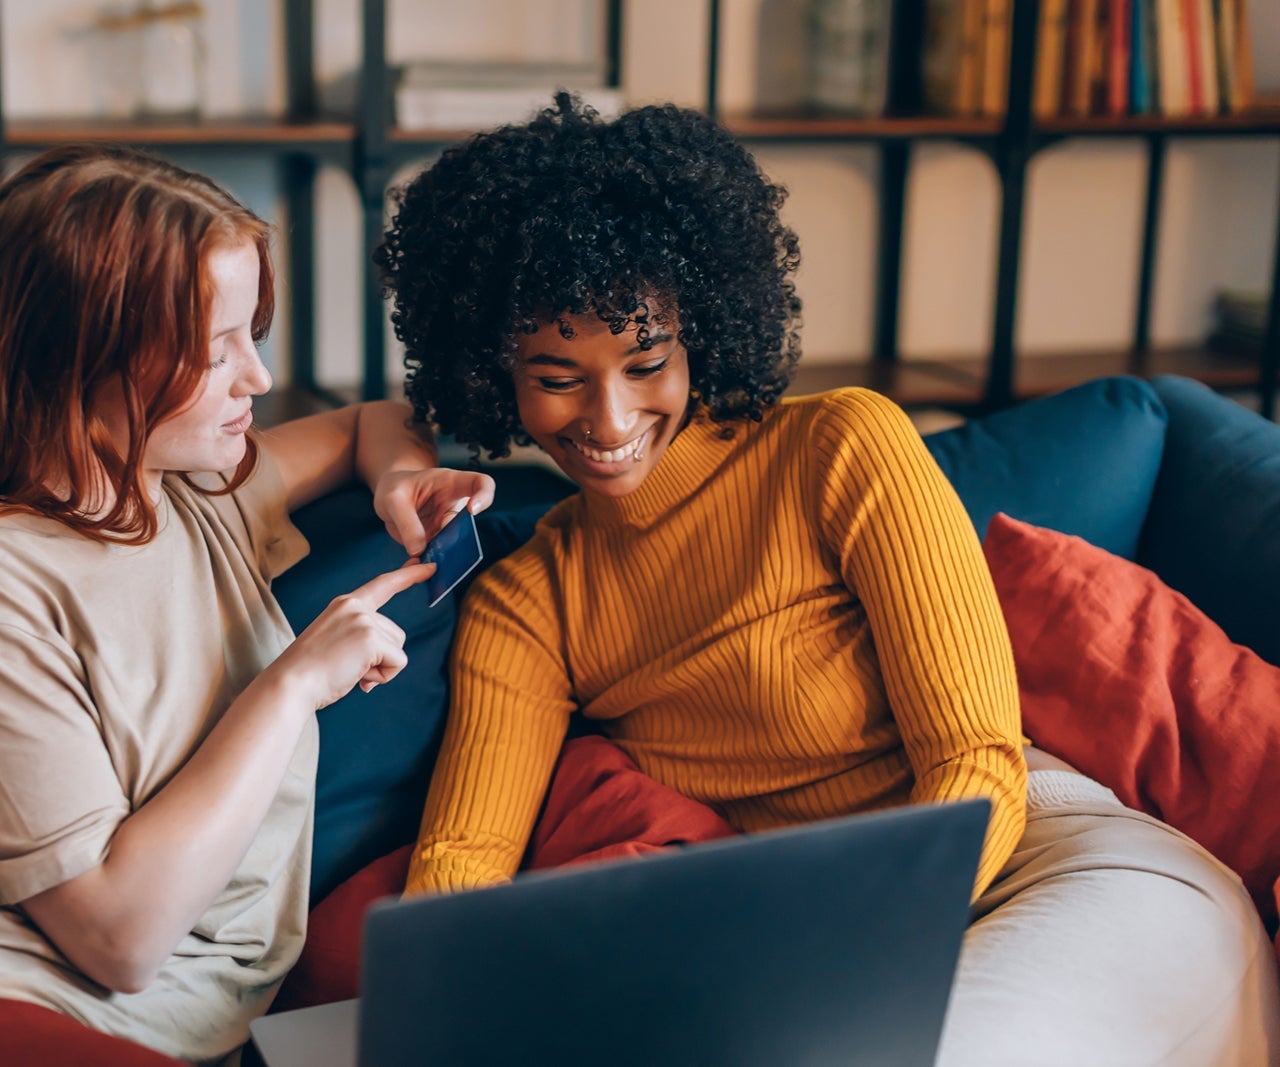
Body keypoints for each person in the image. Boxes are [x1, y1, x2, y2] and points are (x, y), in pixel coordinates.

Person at [375, 97, 1280, 1064]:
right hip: (810, 945)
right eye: (556, 376)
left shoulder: (843, 448)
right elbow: (462, 860)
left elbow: (975, 760)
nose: (608, 416)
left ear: (700, 333)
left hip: (1048, 866)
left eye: (645, 361)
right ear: (494, 373)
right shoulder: (529, 600)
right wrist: (435, 1016)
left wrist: (843, 953)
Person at [0, 143, 494, 1067]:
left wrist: (405, 482)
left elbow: (369, 423)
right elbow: (120, 936)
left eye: (249, 338)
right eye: (214, 350)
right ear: (80, 359)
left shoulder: (187, 491)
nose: (255, 379)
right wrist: (294, 681)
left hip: (155, 1026)